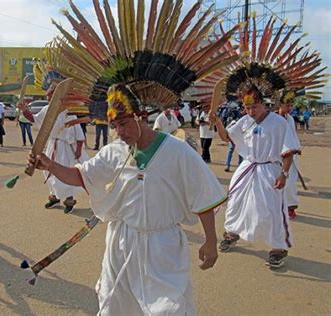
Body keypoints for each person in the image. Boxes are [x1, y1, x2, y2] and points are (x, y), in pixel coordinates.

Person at [27, 84, 226, 315]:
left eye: (123, 123)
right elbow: (81, 176)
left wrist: (210, 240)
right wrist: (50, 165)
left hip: (162, 245)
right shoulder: (115, 151)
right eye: (114, 125)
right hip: (121, 242)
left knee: (169, 308)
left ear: (140, 116)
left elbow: (203, 195)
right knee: (115, 304)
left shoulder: (177, 151)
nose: (119, 132)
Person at [211, 85, 299, 268]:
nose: (250, 111)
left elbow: (288, 151)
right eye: (247, 107)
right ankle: (231, 234)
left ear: (263, 104)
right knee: (236, 203)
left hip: (270, 171)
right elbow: (226, 137)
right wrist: (218, 122)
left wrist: (283, 174)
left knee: (272, 210)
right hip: (246, 168)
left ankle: (278, 249)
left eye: (254, 107)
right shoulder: (244, 121)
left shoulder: (279, 122)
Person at [21, 81, 89, 214]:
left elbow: (79, 134)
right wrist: (24, 110)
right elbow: (35, 120)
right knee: (48, 171)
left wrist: (78, 150)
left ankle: (69, 199)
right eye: (47, 96)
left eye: (50, 96)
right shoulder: (47, 109)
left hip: (65, 148)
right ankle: (54, 197)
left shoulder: (69, 112)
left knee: (63, 171)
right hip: (52, 145)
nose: (47, 98)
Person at [277, 97, 301, 219]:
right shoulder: (273, 118)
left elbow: (292, 136)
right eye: (287, 105)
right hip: (275, 156)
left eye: (291, 105)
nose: (290, 108)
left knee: (291, 183)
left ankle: (290, 207)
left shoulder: (290, 119)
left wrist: (294, 149)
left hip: (290, 154)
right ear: (280, 104)